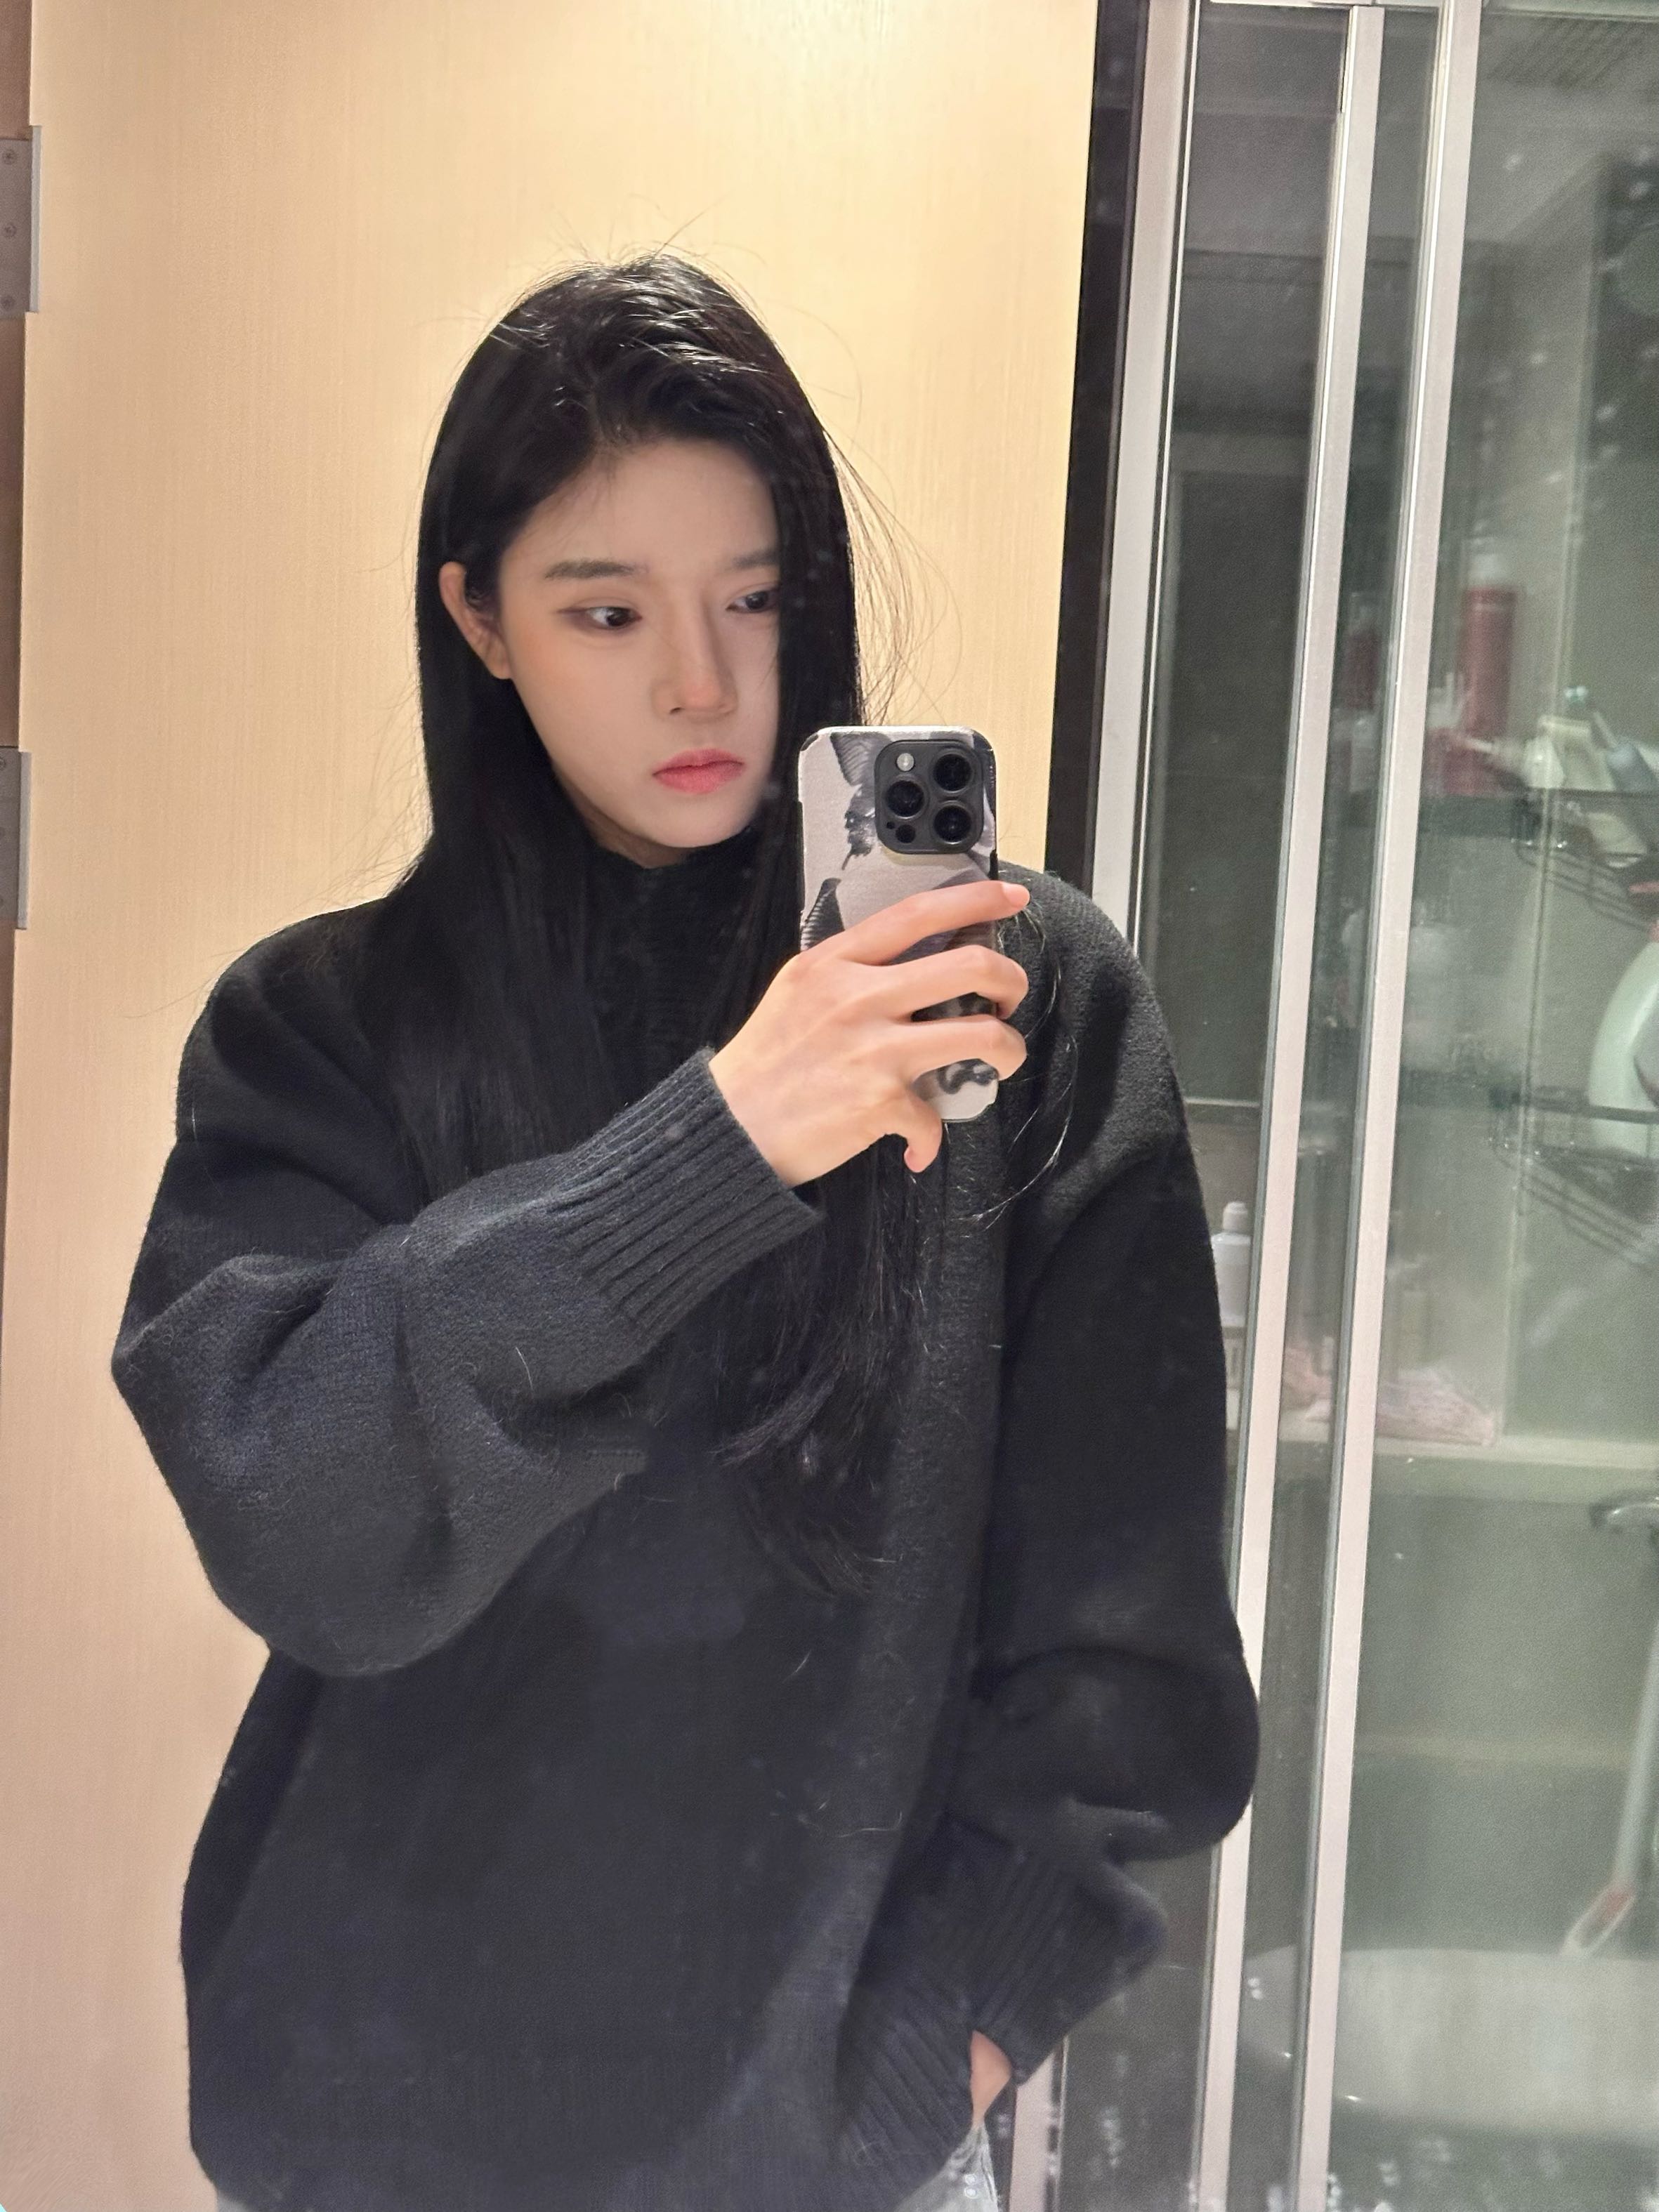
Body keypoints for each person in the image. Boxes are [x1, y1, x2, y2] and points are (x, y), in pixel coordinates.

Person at [110, 253, 1259, 2212]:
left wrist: (923, 2073)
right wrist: (715, 1147)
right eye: (605, 610)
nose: (701, 685)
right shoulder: (323, 1029)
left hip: (827, 2154)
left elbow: (1124, 1647)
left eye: (757, 597)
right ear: (479, 618)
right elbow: (304, 1534)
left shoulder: (1012, 999)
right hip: (370, 2130)